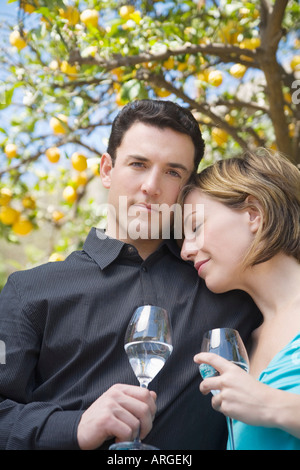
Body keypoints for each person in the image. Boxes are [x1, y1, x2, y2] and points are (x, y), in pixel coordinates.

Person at [0, 100, 261, 450]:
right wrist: (75, 426)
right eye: (138, 164)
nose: (151, 186)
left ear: (185, 190)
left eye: (172, 172)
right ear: (107, 169)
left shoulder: (227, 287)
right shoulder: (28, 291)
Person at [180, 148, 300, 450]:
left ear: (253, 214)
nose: (185, 251)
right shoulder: (247, 341)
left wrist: (273, 406)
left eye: (195, 227)